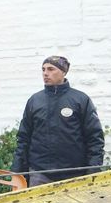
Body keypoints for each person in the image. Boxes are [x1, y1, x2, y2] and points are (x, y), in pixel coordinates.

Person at [10, 54, 104, 184]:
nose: (45, 73)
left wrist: (93, 170)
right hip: (39, 174)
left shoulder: (81, 100)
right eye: (43, 69)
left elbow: (95, 138)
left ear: (64, 72)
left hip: (74, 174)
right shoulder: (34, 101)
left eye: (51, 69)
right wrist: (17, 171)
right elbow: (23, 138)